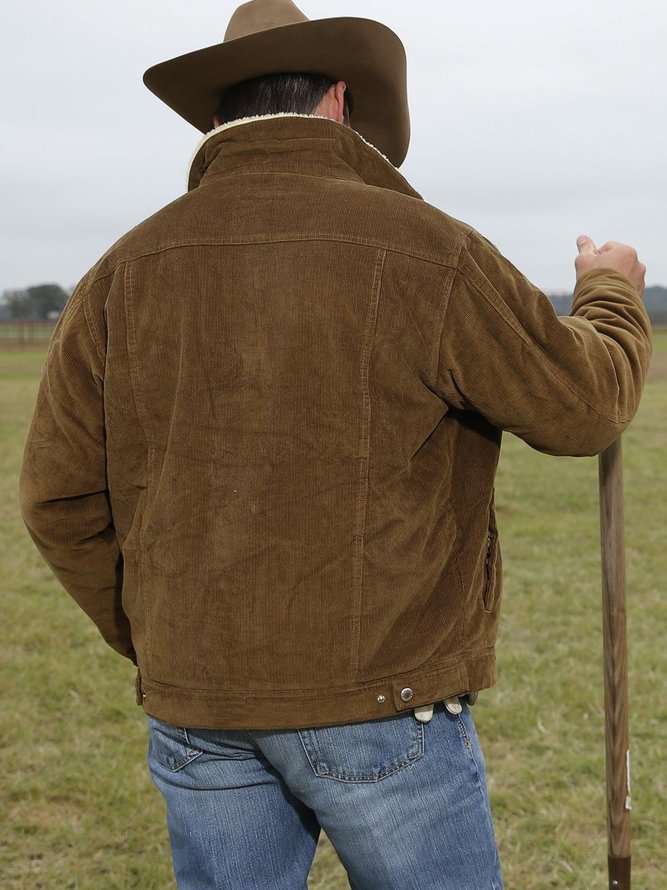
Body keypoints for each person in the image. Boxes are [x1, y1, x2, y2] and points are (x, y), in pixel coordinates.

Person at [20, 1, 651, 888]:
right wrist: (608, 296)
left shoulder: (120, 271)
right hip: (383, 698)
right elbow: (583, 407)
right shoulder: (431, 249)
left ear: (215, 119)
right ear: (341, 100)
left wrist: (165, 639)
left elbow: (57, 501)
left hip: (197, 700)